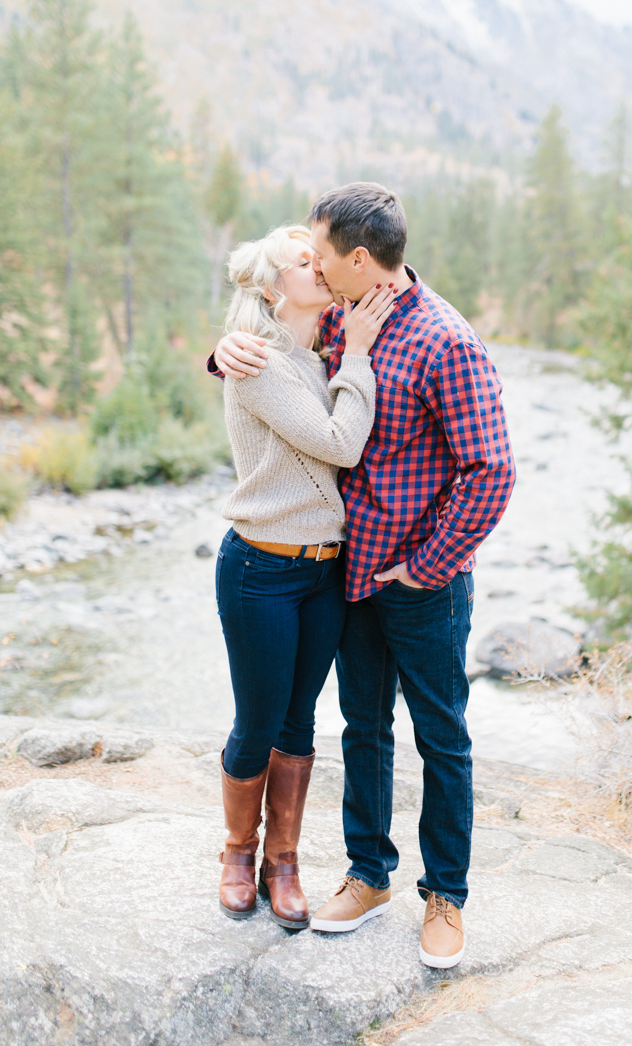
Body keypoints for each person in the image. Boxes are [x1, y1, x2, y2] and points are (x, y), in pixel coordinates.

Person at [213, 184, 516, 967]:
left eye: (321, 253)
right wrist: (219, 355)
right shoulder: (343, 317)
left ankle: (445, 896)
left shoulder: (446, 340)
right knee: (364, 729)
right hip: (344, 574)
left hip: (421, 583)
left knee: (441, 736)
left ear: (357, 260)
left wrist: (424, 569)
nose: (312, 262)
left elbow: (492, 471)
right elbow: (275, 357)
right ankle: (368, 873)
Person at [215, 223, 395, 928]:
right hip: (259, 568)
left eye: (318, 257)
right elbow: (340, 444)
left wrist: (344, 352)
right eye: (302, 261)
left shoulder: (315, 356)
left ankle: (282, 862)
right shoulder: (256, 359)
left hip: (324, 574)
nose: (317, 267)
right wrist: (359, 352)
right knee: (258, 722)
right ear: (269, 287)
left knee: (299, 722)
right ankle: (237, 852)